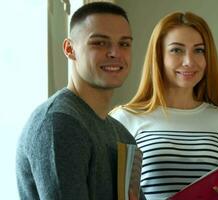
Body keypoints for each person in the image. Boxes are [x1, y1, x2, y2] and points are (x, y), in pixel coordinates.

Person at [111, 11, 218, 200]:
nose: (189, 62)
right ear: (158, 56)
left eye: (199, 50)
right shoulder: (125, 118)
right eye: (177, 50)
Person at [16, 2, 143, 200]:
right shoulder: (59, 122)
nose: (115, 53)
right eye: (99, 43)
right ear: (69, 49)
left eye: (124, 44)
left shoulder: (122, 135)